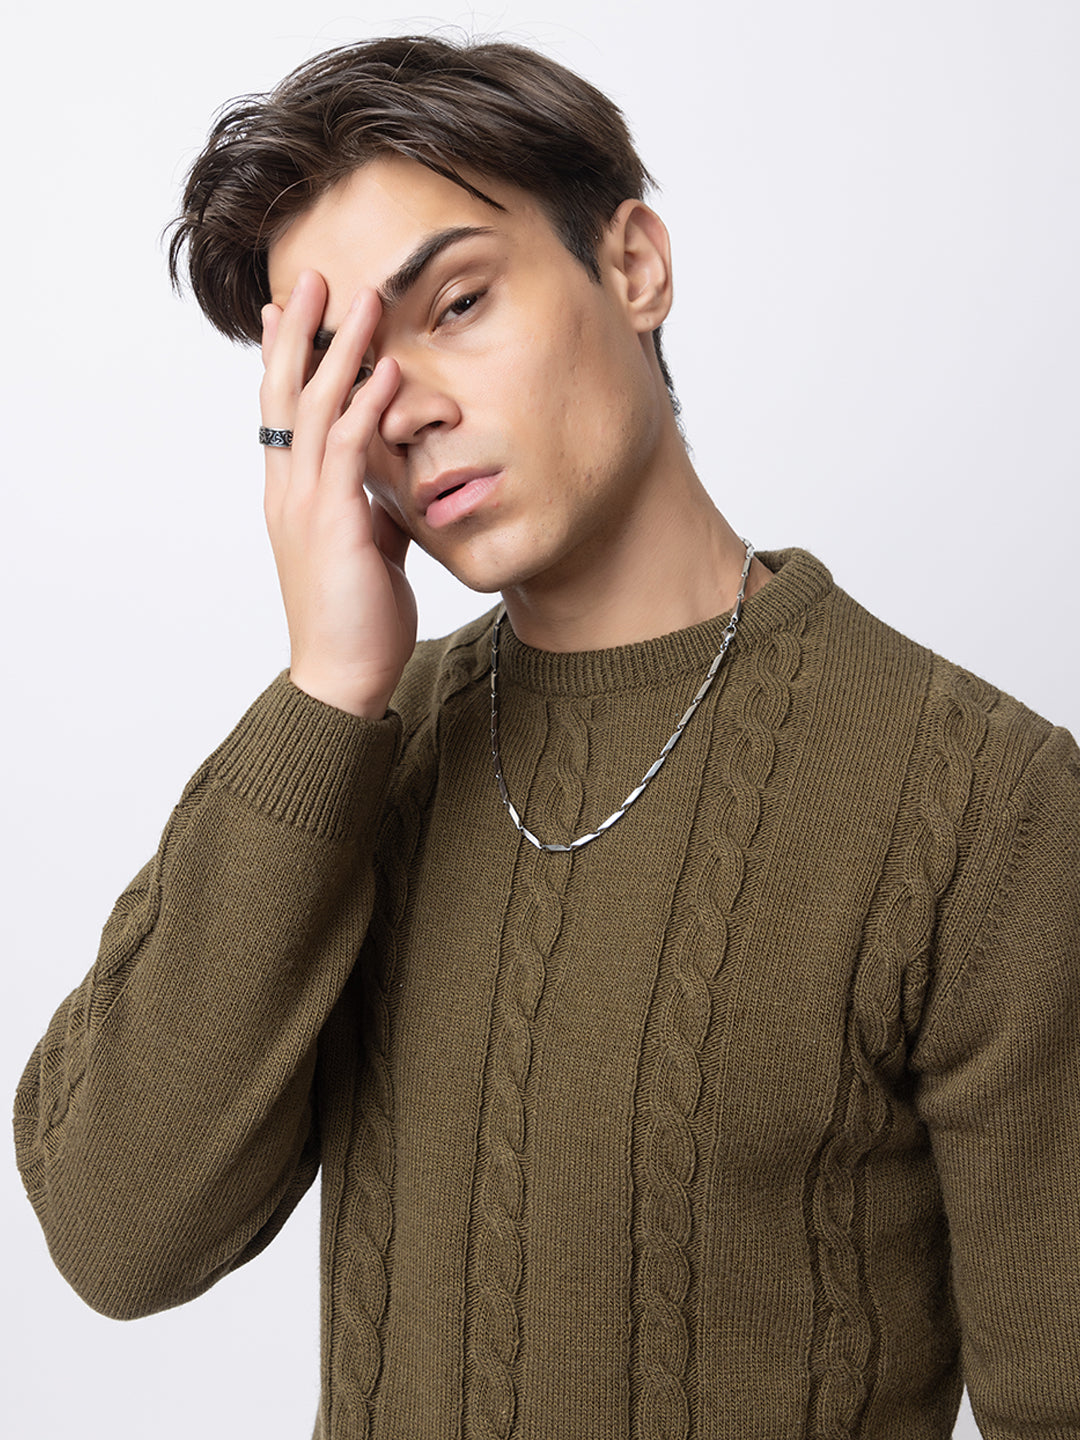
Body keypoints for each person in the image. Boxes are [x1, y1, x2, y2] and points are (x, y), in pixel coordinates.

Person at [14, 33, 1080, 1439]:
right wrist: (329, 687)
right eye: (339, 371)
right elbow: (116, 1238)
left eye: (456, 304)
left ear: (633, 266)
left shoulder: (985, 802)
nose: (406, 409)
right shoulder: (345, 755)